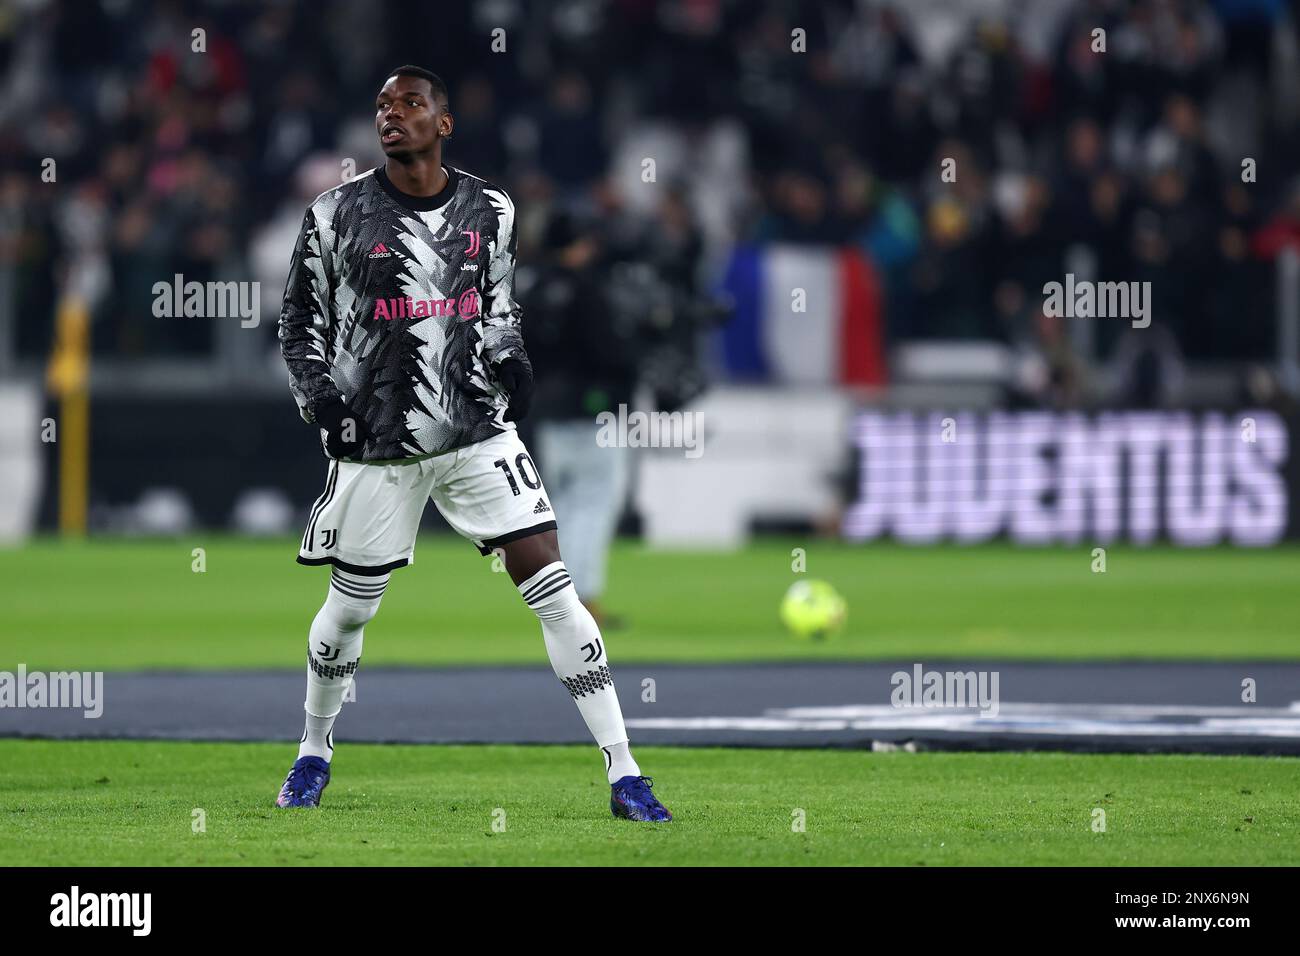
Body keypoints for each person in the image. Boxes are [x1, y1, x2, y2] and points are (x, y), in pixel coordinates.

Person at [274, 65, 670, 822]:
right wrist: (321, 399)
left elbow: (495, 305)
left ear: (443, 123)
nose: (393, 116)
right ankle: (313, 750)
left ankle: (625, 772)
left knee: (552, 586)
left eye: (411, 104)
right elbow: (297, 324)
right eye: (383, 106)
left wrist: (510, 356)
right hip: (378, 441)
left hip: (474, 430)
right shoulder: (333, 214)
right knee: (351, 612)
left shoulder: (490, 208)